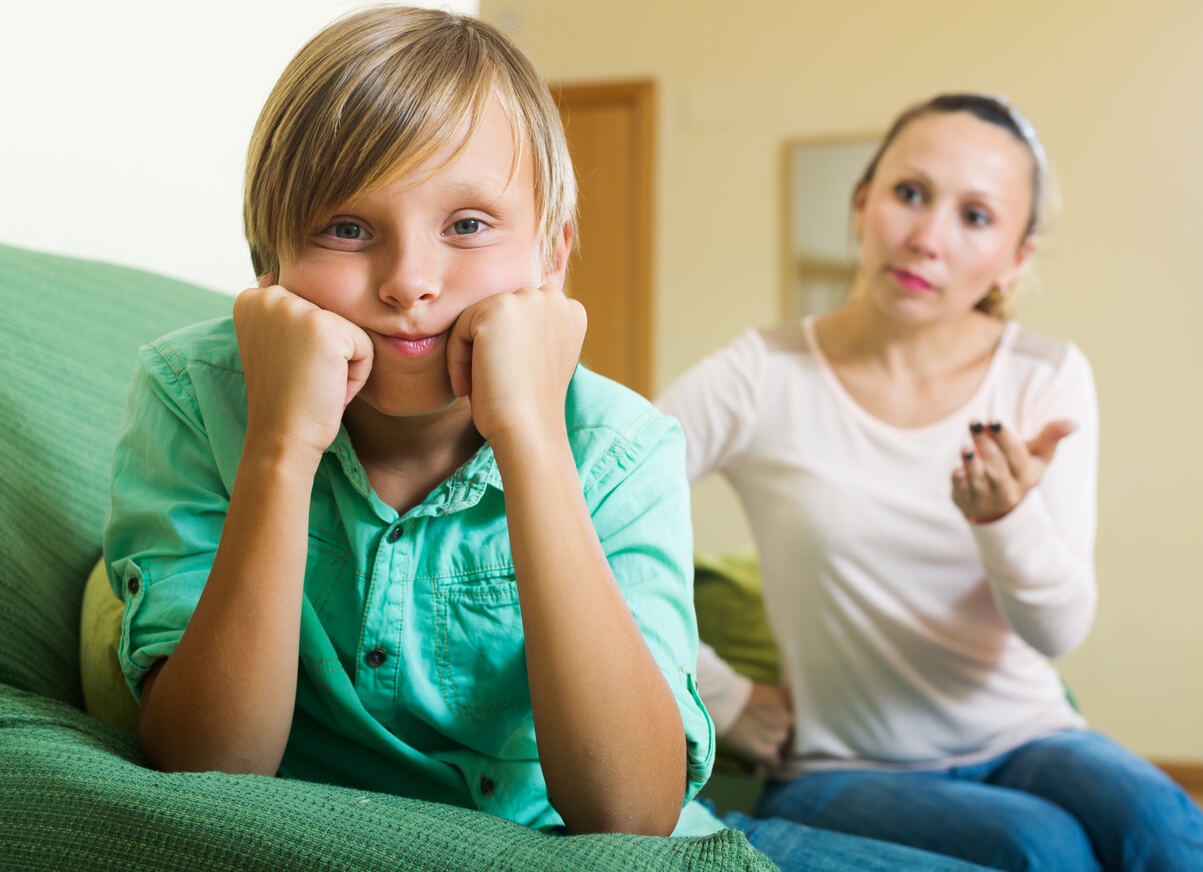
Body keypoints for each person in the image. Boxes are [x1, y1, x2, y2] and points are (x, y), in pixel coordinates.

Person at [100, 9, 1000, 870]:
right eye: (346, 229)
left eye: (467, 225)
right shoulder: (195, 397)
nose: (410, 282)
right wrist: (280, 451)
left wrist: (529, 434)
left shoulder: (619, 444)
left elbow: (629, 815)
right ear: (269, 267)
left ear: (551, 254)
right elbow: (205, 770)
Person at [657, 93, 1203, 871]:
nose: (925, 238)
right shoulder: (759, 375)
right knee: (1041, 849)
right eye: (908, 194)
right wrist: (719, 694)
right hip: (841, 767)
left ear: (1015, 257)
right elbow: (598, 513)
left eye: (974, 217)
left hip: (1028, 734)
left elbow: (1059, 631)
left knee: (1165, 828)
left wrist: (1006, 520)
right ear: (860, 205)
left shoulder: (1044, 376)